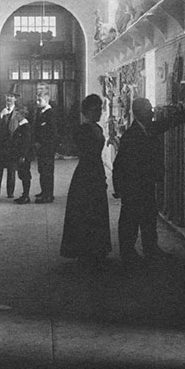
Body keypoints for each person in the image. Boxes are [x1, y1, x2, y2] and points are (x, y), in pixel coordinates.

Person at [111, 97, 166, 268]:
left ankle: (151, 248)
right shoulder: (132, 135)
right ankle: (128, 253)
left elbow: (166, 124)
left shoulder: (147, 129)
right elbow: (119, 164)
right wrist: (120, 188)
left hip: (145, 183)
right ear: (138, 113)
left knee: (149, 217)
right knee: (131, 220)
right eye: (148, 109)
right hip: (134, 185)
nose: (151, 112)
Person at [60, 94, 111, 270]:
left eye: (99, 109)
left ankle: (96, 249)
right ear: (86, 112)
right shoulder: (82, 130)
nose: (98, 113)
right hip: (86, 173)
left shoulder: (97, 128)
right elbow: (87, 153)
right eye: (95, 110)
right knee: (86, 211)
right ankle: (85, 250)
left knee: (95, 210)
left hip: (95, 170)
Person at [0, 91, 20, 198]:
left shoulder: (19, 111)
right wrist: (1, 115)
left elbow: (24, 127)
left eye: (11, 96)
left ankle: (10, 193)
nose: (9, 98)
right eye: (7, 96)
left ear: (15, 99)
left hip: (12, 145)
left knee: (11, 170)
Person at [33, 86, 57, 203]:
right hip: (41, 148)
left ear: (46, 99)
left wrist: (42, 143)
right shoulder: (40, 112)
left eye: (40, 100)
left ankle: (48, 195)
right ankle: (44, 191)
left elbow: (52, 133)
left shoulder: (50, 114)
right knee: (42, 170)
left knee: (47, 172)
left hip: (47, 148)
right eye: (37, 100)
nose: (37, 103)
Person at [11, 111, 34, 205]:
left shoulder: (26, 127)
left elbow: (26, 143)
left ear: (23, 115)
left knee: (25, 175)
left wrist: (23, 156)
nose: (16, 116)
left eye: (18, 114)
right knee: (23, 174)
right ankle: (24, 195)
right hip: (21, 155)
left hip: (23, 156)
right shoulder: (22, 126)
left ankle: (26, 196)